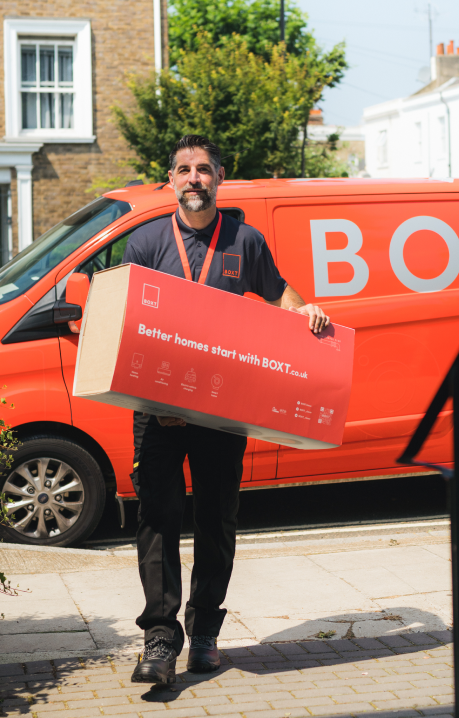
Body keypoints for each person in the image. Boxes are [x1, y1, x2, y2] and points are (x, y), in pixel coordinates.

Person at [123, 135, 329, 684]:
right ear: (171, 180)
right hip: (158, 413)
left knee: (217, 523)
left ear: (220, 177)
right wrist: (154, 403)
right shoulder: (144, 244)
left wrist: (305, 310)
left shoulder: (245, 240)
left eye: (204, 170)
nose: (195, 178)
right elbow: (131, 337)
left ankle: (206, 631)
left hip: (221, 410)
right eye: (185, 170)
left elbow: (280, 295)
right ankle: (161, 640)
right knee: (158, 521)